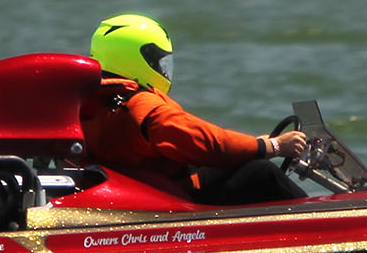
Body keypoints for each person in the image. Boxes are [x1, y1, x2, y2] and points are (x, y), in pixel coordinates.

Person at [79, 13, 311, 205]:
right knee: (261, 172)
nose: (163, 70)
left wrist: (252, 145)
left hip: (146, 183)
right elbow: (209, 143)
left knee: (242, 158)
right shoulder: (143, 107)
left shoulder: (90, 101)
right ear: (137, 59)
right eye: (159, 61)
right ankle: (315, 223)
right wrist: (273, 146)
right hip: (174, 196)